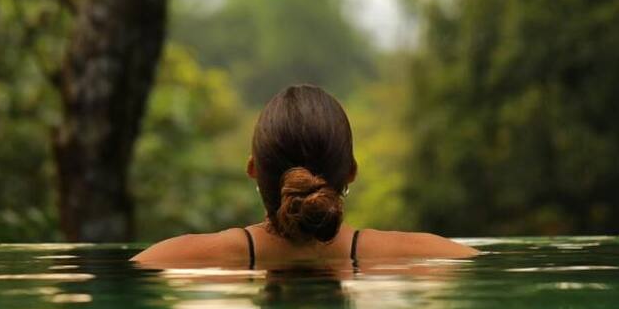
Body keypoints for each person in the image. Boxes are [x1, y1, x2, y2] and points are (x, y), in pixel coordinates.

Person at [131, 84, 478, 267]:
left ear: (253, 169)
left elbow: (133, 271)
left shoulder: (172, 258)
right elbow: (471, 262)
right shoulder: (427, 253)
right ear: (351, 173)